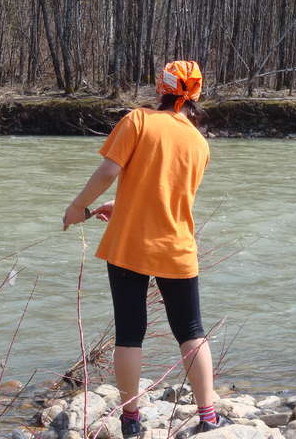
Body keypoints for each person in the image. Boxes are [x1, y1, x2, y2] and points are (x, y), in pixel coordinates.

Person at [63, 61, 231, 437]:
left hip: (130, 243)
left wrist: (78, 207)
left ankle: (131, 419)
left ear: (161, 88)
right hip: (177, 246)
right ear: (196, 94)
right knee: (191, 330)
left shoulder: (138, 120)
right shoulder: (199, 143)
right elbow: (170, 196)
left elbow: (109, 172)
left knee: (129, 332)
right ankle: (208, 416)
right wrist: (121, 204)